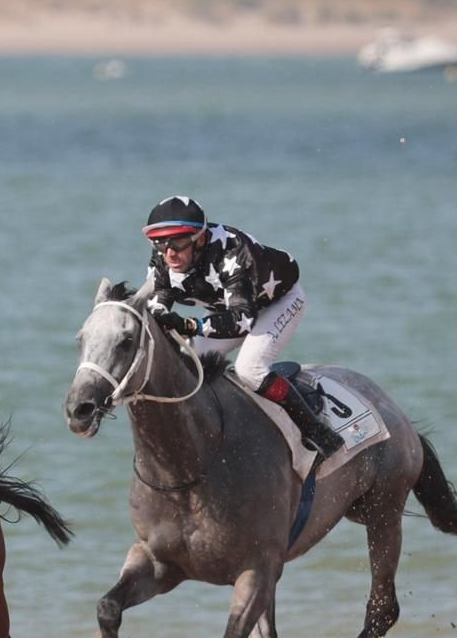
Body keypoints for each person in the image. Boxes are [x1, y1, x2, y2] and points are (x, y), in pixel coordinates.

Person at [140, 195, 344, 457]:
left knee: (250, 369)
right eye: (159, 242)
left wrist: (189, 324)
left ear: (199, 238)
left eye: (178, 242)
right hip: (230, 309)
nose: (169, 252)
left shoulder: (233, 251)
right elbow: (158, 303)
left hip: (277, 303)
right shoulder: (164, 257)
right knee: (184, 364)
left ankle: (316, 429)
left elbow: (242, 321)